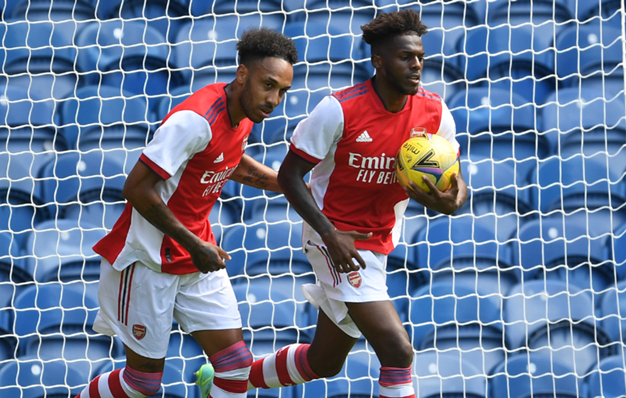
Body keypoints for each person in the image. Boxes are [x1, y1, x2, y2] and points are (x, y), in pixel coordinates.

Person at [196, 9, 468, 398]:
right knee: (397, 350)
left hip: (378, 243)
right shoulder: (339, 109)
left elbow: (457, 182)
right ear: (378, 61)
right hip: (335, 241)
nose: (417, 65)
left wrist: (451, 202)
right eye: (405, 57)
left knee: (325, 361)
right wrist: (330, 233)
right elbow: (290, 176)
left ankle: (224, 380)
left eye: (420, 57)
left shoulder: (435, 112)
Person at [74, 27, 297, 398]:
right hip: (147, 260)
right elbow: (135, 188)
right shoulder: (195, 120)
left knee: (235, 367)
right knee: (141, 384)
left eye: (282, 92)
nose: (274, 99)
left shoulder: (243, 114)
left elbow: (228, 162)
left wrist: (287, 184)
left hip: (195, 256)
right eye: (268, 85)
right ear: (242, 74)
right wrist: (193, 244)